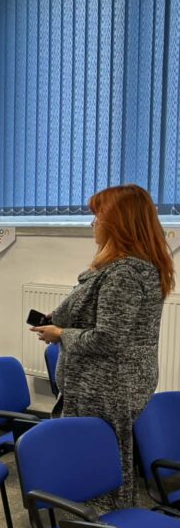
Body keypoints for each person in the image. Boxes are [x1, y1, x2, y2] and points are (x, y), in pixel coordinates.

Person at [31, 184, 176, 509]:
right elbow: (103, 318)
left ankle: (98, 525)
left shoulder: (124, 273)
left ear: (117, 223)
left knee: (96, 463)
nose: (92, 223)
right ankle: (97, 521)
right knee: (103, 457)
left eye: (98, 216)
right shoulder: (133, 267)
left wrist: (60, 334)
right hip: (115, 382)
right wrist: (61, 319)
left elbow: (109, 338)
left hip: (105, 386)